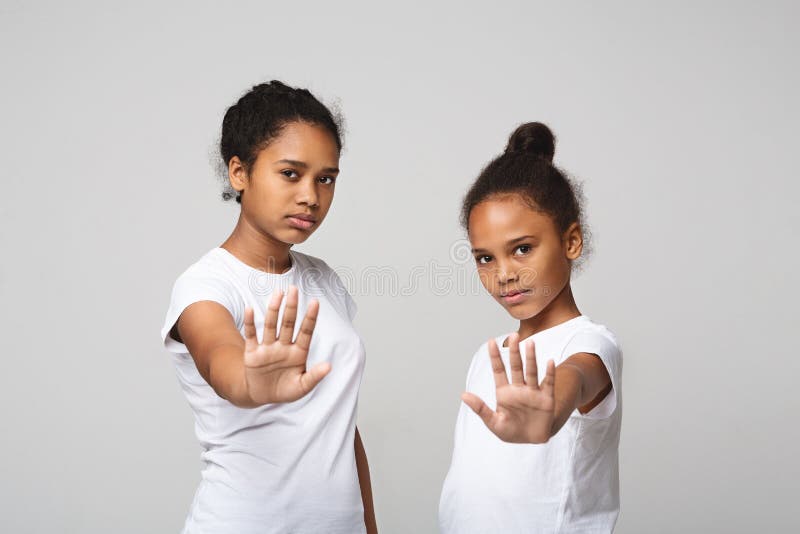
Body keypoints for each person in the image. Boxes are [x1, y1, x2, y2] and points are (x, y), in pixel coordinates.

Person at [160, 81, 377, 534]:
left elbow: (340, 429)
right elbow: (222, 358)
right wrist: (250, 382)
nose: (311, 197)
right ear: (239, 173)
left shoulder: (322, 278)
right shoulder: (206, 284)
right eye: (291, 174)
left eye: (326, 178)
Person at [439, 122, 623, 533]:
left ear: (571, 241)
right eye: (485, 258)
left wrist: (552, 411)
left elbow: (575, 378)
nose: (503, 274)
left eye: (522, 249)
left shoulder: (591, 343)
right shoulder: (489, 357)